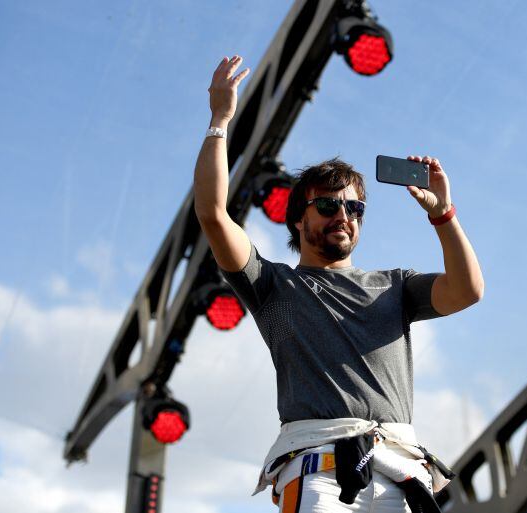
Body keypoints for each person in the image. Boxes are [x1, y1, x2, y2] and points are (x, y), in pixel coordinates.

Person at [194, 55, 484, 513]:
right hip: (317, 470)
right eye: (328, 206)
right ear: (297, 218)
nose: (343, 216)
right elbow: (213, 214)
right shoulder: (272, 285)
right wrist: (219, 121)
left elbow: (467, 291)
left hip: (397, 467)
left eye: (354, 209)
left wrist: (443, 214)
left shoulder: (395, 286)